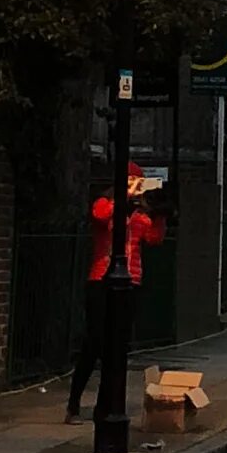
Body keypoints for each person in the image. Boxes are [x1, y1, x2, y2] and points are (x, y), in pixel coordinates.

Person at [68, 163, 166, 423]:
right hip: (101, 278)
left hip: (131, 281)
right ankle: (73, 404)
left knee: (118, 346)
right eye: (131, 181)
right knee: (95, 342)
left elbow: (154, 238)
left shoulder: (139, 215)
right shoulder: (106, 203)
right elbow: (100, 216)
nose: (136, 186)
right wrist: (124, 200)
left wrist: (160, 213)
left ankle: (106, 405)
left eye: (139, 182)